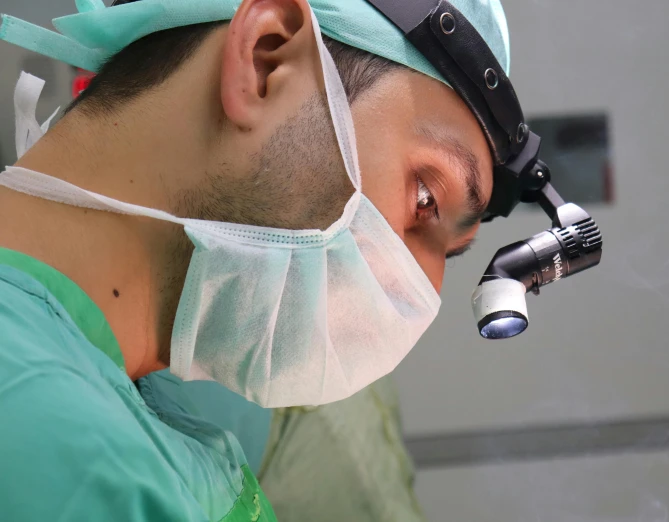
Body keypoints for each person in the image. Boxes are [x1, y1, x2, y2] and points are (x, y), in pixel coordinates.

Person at [0, 0, 511, 520]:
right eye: (425, 198)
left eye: (450, 253)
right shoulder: (56, 444)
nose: (420, 293)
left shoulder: (145, 415)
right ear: (265, 61)